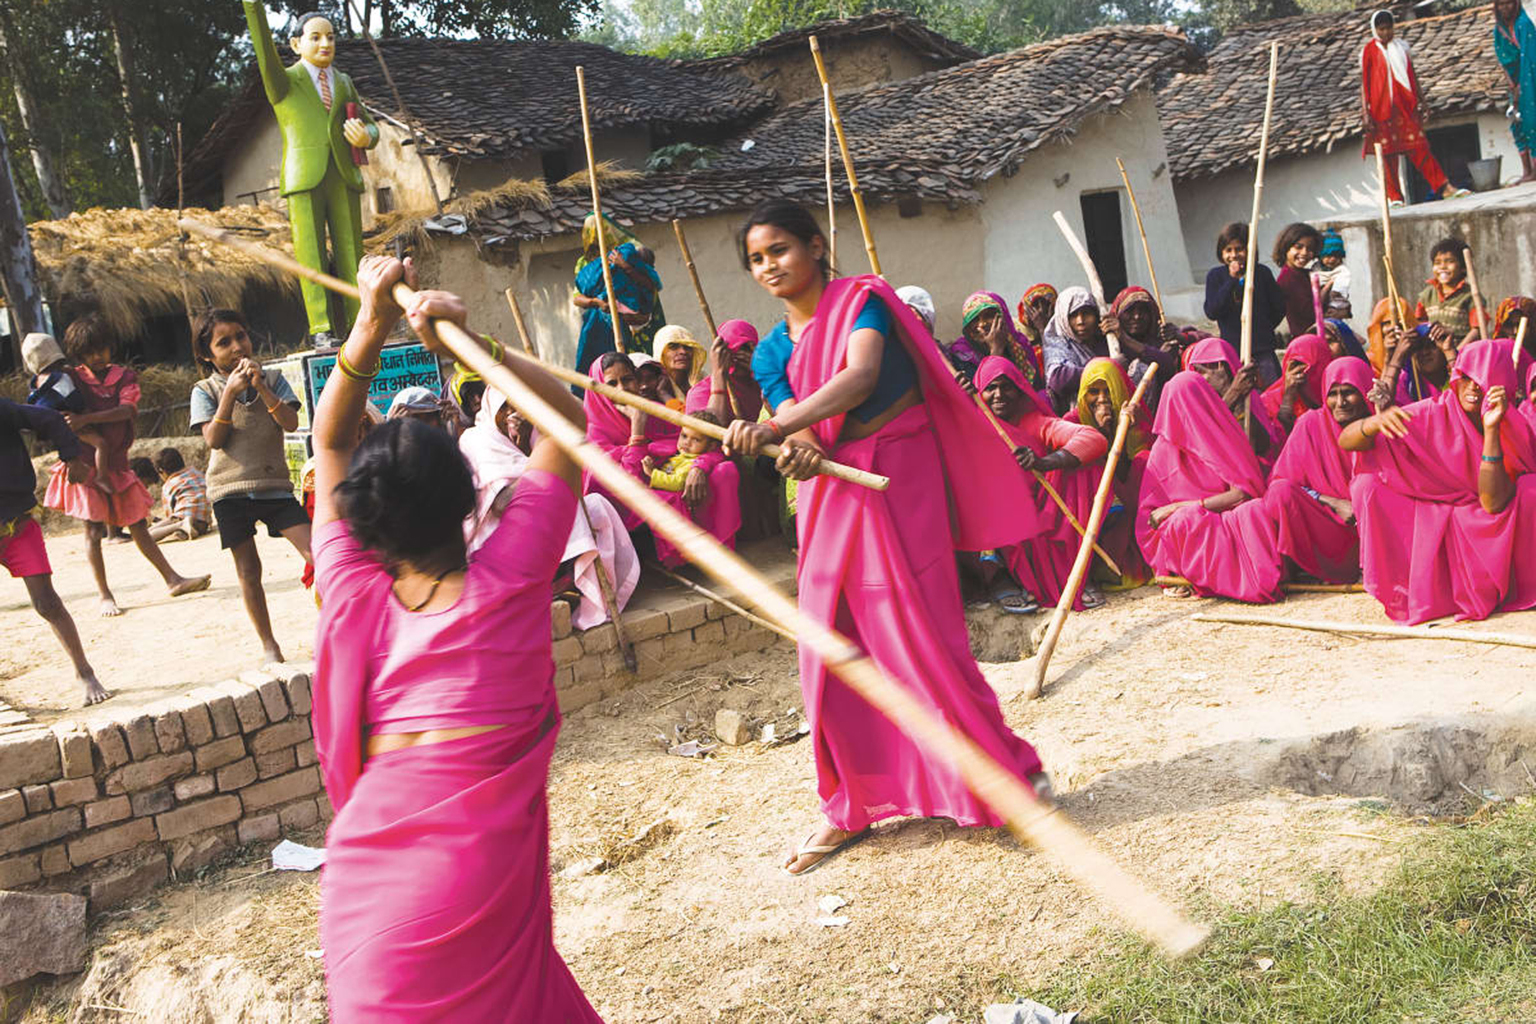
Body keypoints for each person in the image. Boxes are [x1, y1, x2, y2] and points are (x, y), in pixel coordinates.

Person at [309, 255, 604, 1021]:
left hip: (363, 885)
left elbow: (330, 441)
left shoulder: (349, 593)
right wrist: (474, 345)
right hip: (466, 879)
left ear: (358, 516)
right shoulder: (508, 580)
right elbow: (569, 423)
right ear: (474, 495)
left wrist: (368, 327)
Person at [723, 199, 1049, 875]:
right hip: (830, 497)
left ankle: (1009, 785)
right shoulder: (772, 351)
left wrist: (780, 431)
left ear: (815, 246)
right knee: (829, 654)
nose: (769, 266)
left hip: (899, 478)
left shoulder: (864, 302)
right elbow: (797, 421)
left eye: (779, 249)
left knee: (917, 644)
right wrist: (795, 446)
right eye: (756, 258)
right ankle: (851, 804)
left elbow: (860, 377)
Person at [1341, 337, 1536, 623]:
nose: (1472, 388)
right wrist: (1371, 424)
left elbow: (1492, 504)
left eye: (1482, 380)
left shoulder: (1515, 427)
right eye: (1466, 378)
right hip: (1433, 512)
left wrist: (1491, 430)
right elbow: (1347, 440)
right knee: (1366, 486)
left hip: (1488, 520)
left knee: (1531, 489)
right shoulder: (1432, 411)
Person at [42, 315, 210, 617]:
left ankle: (173, 579)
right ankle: (105, 594)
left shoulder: (125, 377)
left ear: (111, 347)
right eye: (90, 352)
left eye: (102, 349)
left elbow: (126, 411)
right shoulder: (71, 377)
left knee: (139, 525)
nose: (98, 356)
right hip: (83, 463)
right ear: (79, 354)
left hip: (117, 464)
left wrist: (87, 419)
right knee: (92, 531)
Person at [242, 3, 379, 345]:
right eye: (315, 37)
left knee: (352, 254)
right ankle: (321, 328)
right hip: (304, 176)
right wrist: (253, 8)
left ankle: (358, 324)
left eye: (330, 37)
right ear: (296, 45)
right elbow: (263, 51)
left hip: (343, 173)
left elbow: (371, 125)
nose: (324, 44)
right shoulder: (284, 82)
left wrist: (368, 136)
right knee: (312, 256)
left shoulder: (344, 82)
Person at [460, 385, 638, 629]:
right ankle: (549, 580)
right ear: (493, 409)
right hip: (497, 534)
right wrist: (539, 458)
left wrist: (530, 446)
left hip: (536, 522)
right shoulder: (477, 439)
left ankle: (580, 587)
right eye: (506, 407)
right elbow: (502, 504)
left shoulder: (533, 432)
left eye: (519, 405)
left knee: (595, 506)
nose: (514, 413)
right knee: (565, 506)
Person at [190, 308, 310, 664]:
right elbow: (214, 438)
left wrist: (261, 388)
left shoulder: (272, 378)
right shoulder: (205, 390)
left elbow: (289, 423)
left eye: (240, 336)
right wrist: (229, 393)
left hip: (274, 484)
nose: (236, 347)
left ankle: (342, 624)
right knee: (249, 570)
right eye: (223, 343)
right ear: (207, 355)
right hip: (230, 490)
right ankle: (269, 645)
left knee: (317, 555)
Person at [967, 356, 1109, 612]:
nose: (999, 395)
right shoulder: (971, 424)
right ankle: (998, 576)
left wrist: (1046, 462)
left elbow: (1092, 438)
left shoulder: (1033, 422)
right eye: (990, 388)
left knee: (1084, 468)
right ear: (980, 392)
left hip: (1036, 515)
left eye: (1007, 386)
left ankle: (1075, 572)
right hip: (995, 519)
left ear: (1019, 389)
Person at [1136, 370, 1282, 602]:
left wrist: (1183, 506)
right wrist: (1183, 513)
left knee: (1254, 512)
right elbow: (1151, 518)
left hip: (1228, 519)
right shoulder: (1162, 450)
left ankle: (1238, 582)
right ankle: (1192, 576)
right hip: (1190, 529)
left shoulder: (1224, 433)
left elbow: (1244, 493)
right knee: (1184, 521)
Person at [1, 399, 108, 706]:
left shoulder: (2, 410)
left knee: (46, 602)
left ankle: (84, 671)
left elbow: (49, 419)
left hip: (16, 525)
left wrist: (72, 457)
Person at [1263, 357, 1375, 583]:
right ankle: (1302, 568)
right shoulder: (1311, 424)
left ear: (1364, 393)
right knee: (1280, 493)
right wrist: (1333, 502)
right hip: (1329, 524)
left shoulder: (1377, 424)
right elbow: (1281, 481)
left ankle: (1373, 566)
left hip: (1371, 532)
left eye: (1349, 392)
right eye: (1333, 394)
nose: (1341, 402)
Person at [1361, 10, 1472, 205]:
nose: (1386, 33)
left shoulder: (1403, 48)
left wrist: (1423, 101)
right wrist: (1365, 113)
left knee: (1420, 148)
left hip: (1404, 107)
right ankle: (1395, 197)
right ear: (1375, 29)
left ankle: (1444, 187)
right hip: (1381, 112)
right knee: (1388, 155)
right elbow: (1365, 84)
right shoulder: (1368, 52)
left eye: (1389, 28)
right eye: (1382, 29)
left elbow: (1413, 76)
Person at [1069, 358, 1153, 590]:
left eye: (1108, 391)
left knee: (1144, 461)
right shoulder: (1072, 422)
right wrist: (1099, 436)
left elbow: (1133, 476)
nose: (1102, 399)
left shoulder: (1135, 419)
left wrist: (1126, 431)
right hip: (1091, 507)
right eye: (1093, 392)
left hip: (1127, 504)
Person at [1184, 336, 1285, 471]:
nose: (1210, 375)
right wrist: (1232, 394)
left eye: (1217, 365)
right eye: (1202, 370)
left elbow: (1259, 448)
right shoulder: (1189, 401)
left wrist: (1237, 397)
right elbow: (1204, 442)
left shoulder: (1248, 399)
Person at [23, 332, 112, 485]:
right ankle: (102, 476)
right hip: (68, 421)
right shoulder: (60, 378)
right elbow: (73, 398)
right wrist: (85, 414)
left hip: (51, 426)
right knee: (101, 444)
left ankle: (71, 467)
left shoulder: (35, 384)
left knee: (71, 448)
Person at [1204, 222, 1286, 384]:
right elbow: (1212, 311)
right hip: (1233, 351)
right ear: (1221, 252)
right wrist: (1231, 280)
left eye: (1239, 249)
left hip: (1262, 349)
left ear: (1250, 250)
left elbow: (1279, 307)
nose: (1234, 255)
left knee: (1270, 393)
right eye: (1228, 250)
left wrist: (1263, 327)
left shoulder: (1262, 273)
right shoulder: (1216, 276)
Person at [573, 226, 663, 372]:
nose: (593, 240)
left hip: (636, 328)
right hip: (602, 325)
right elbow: (577, 298)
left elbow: (650, 285)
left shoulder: (631, 254)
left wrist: (625, 266)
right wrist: (597, 302)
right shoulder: (587, 266)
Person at [948, 291, 1044, 392]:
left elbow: (1033, 390)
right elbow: (986, 395)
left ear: (1003, 318)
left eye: (989, 315)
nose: (982, 324)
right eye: (974, 319)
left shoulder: (1020, 345)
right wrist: (996, 350)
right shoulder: (962, 353)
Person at [1102, 285, 1182, 402]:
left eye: (1143, 311)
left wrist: (1124, 338)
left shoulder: (1161, 341)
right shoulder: (1109, 344)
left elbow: (1167, 364)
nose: (1137, 316)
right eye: (1129, 311)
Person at [1042, 286, 1112, 412]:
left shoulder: (1105, 340)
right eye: (1073, 315)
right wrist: (1108, 370)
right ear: (1063, 319)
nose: (1080, 321)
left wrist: (1121, 335)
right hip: (1074, 415)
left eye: (1086, 314)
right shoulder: (1058, 342)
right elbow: (1058, 380)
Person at [1414, 238, 1487, 347]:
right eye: (1437, 263)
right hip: (1435, 354)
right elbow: (1419, 323)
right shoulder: (1426, 295)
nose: (1442, 267)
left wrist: (1458, 353)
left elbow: (1477, 329)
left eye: (1449, 261)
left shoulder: (1470, 296)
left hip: (1461, 353)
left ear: (1463, 267)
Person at [1260, 333, 1335, 436]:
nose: (1299, 373)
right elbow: (1273, 443)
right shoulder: (1268, 401)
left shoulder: (1335, 396)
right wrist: (1287, 400)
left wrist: (1309, 400)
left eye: (1307, 366)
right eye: (1295, 364)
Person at [689, 319, 762, 423]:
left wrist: (761, 372)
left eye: (746, 348)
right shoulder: (700, 392)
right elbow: (708, 433)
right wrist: (719, 378)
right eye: (732, 349)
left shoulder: (763, 384)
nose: (740, 354)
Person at [1495, 0, 1536, 182]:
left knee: (1532, 122)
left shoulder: (1524, 24)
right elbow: (1503, 60)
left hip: (1531, 80)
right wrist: (1513, 85)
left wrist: (1524, 84)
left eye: (1509, 3)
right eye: (1501, 4)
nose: (1505, 8)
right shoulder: (1499, 30)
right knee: (1517, 125)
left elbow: (1530, 56)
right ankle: (1526, 171)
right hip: (1516, 84)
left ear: (1516, 4)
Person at [1272, 222, 1326, 339]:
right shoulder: (1287, 279)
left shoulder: (1304, 274)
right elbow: (1310, 313)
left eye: (1310, 249)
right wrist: (1327, 288)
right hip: (1306, 339)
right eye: (1298, 247)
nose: (1305, 253)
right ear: (1286, 247)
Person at [146, 448, 211, 543]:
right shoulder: (198, 473)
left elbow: (170, 514)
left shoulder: (170, 484)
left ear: (161, 471)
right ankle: (182, 531)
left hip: (183, 518)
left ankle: (180, 526)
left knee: (147, 535)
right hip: (203, 523)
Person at [652, 324, 707, 410]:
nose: (683, 351)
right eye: (673, 347)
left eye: (687, 346)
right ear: (660, 352)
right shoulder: (652, 386)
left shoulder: (703, 380)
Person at [1316, 229, 1353, 320]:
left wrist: (1328, 286)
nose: (1332, 259)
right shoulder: (1316, 269)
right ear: (1320, 257)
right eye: (1328, 256)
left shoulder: (1343, 271)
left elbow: (1336, 292)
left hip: (1336, 308)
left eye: (1336, 256)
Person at [1016, 283, 1057, 348]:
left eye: (1045, 305)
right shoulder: (1015, 332)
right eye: (1036, 305)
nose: (1040, 311)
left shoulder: (1060, 331)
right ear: (1026, 309)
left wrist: (1043, 329)